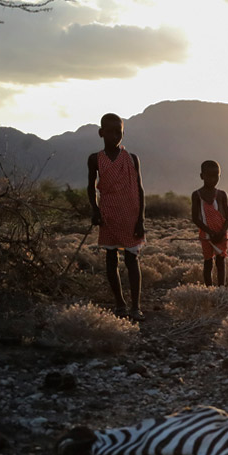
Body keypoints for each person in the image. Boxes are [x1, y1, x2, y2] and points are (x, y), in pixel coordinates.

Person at [87, 112, 146, 321]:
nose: (114, 136)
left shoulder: (131, 159)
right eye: (110, 132)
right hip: (108, 213)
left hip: (131, 213)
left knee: (132, 259)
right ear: (101, 133)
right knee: (111, 258)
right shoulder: (95, 159)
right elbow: (91, 187)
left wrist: (141, 219)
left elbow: (139, 189)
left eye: (118, 132)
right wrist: (95, 210)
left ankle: (136, 306)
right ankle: (120, 304)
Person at [191, 160, 228, 287]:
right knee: (208, 262)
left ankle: (221, 289)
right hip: (206, 235)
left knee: (220, 261)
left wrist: (221, 233)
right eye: (209, 176)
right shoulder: (196, 195)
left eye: (216, 175)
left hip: (221, 234)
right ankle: (209, 289)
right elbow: (195, 218)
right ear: (202, 176)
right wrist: (210, 232)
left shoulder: (222, 194)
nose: (213, 179)